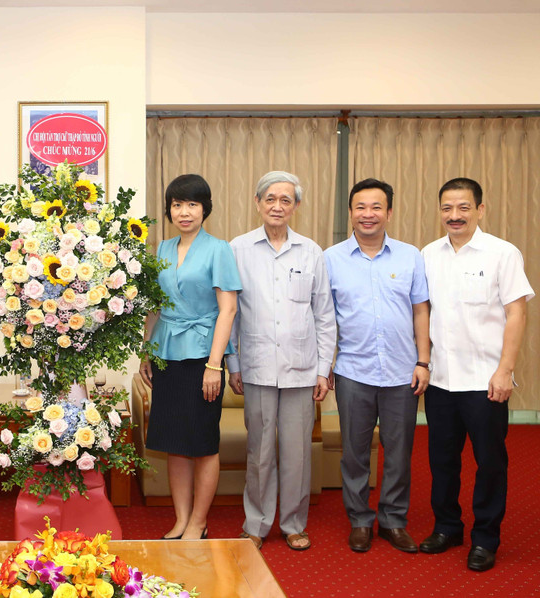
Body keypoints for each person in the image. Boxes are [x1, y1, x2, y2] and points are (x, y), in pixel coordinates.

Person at [418, 178, 533, 572]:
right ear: (440, 211)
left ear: (480, 210)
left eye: (463, 208)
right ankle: (447, 527)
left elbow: (517, 313)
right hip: (441, 380)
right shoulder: (428, 255)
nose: (455, 215)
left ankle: (486, 538)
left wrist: (505, 370)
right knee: (442, 462)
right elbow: (423, 313)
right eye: (448, 208)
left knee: (490, 463)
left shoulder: (503, 253)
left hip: (486, 381)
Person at [227, 171, 335, 551]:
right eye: (270, 198)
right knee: (260, 452)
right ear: (257, 203)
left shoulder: (311, 251)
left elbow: (324, 315)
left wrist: (324, 370)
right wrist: (233, 365)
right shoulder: (237, 249)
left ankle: (292, 523)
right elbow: (230, 313)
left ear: (296, 206)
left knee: (297, 451)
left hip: (302, 370)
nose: (277, 206)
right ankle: (255, 524)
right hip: (255, 367)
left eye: (285, 200)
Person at [324, 178, 430, 554]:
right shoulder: (331, 258)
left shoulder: (410, 256)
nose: (368, 214)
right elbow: (324, 317)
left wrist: (423, 360)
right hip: (353, 370)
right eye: (360, 207)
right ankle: (359, 521)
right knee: (354, 452)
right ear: (350, 212)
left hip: (403, 372)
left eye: (376, 207)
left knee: (398, 452)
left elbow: (421, 310)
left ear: (388, 211)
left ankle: (393, 521)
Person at [140, 174, 241, 541]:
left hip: (203, 355)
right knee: (174, 443)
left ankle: (199, 521)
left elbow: (227, 310)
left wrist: (215, 365)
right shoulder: (162, 249)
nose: (185, 212)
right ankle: (181, 519)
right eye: (178, 204)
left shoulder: (219, 249)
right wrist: (146, 352)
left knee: (201, 441)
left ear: (205, 209)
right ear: (169, 209)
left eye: (193, 204)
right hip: (167, 353)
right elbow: (155, 306)